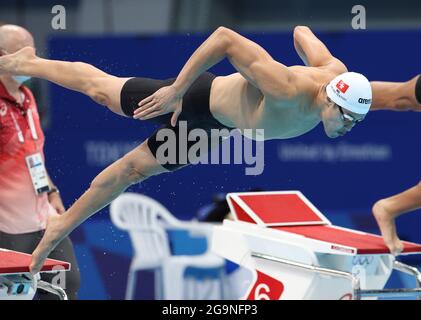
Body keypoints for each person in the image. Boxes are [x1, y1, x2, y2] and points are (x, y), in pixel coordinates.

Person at [0, 25, 380, 273]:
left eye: (356, 123)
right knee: (102, 90)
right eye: (345, 117)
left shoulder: (336, 74)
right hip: (196, 99)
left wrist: (302, 37)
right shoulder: (284, 87)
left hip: (213, 129)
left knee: (132, 171)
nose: (347, 127)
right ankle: (31, 62)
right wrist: (176, 90)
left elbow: (302, 34)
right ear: (330, 101)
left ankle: (60, 226)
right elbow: (224, 38)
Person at [0, 24, 80, 298]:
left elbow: (31, 156)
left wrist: (52, 190)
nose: (34, 62)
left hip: (44, 218)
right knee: (16, 294)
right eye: (27, 54)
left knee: (66, 285)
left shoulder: (29, 97)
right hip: (8, 225)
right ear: (3, 56)